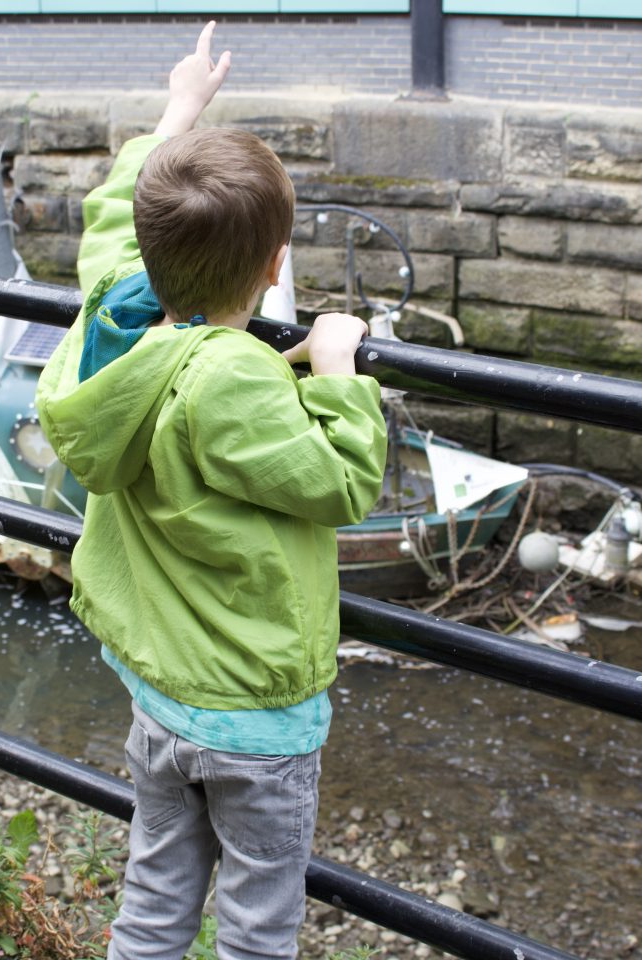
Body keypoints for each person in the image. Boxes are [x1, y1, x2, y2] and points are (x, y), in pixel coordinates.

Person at [36, 22, 388, 960]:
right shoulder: (235, 380)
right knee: (257, 925)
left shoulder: (113, 315)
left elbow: (114, 215)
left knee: (154, 899)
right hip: (256, 717)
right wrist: (338, 368)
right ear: (277, 268)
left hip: (160, 694)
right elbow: (344, 480)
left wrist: (177, 111)